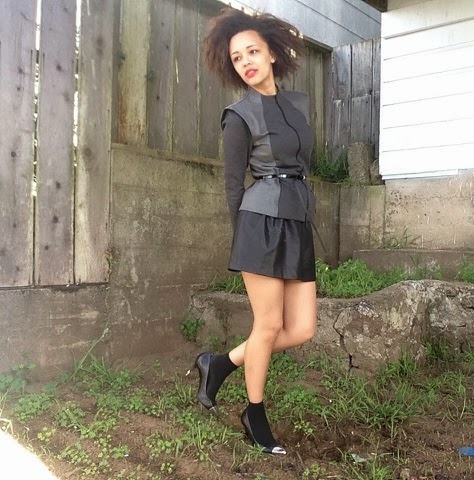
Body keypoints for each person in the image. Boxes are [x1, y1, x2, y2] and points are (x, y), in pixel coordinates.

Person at [193, 8, 317, 456]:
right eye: (237, 57)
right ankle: (254, 414)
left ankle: (219, 364)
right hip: (259, 222)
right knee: (268, 325)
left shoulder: (298, 104)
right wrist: (242, 239)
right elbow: (232, 185)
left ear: (271, 54)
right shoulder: (238, 115)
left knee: (301, 328)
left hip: (297, 218)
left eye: (252, 51)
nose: (246, 61)